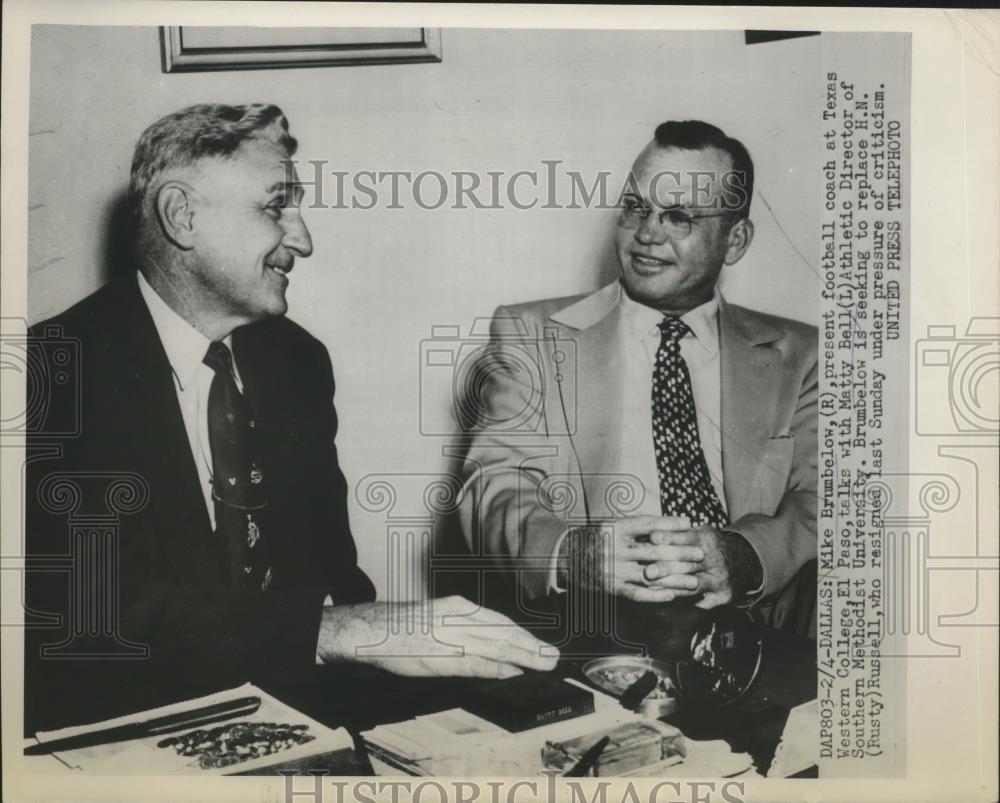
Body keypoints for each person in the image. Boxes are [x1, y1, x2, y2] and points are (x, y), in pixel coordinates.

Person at [24, 103, 555, 733]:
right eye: (276, 207)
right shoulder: (52, 375)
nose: (303, 239)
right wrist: (330, 630)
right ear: (181, 216)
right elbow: (96, 619)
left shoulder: (296, 361)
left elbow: (334, 581)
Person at [458, 120, 817, 636]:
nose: (647, 234)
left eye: (678, 217)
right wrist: (572, 554)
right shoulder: (530, 334)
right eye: (635, 207)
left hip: (757, 628)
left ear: (734, 240)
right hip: (595, 627)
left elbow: (825, 499)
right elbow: (492, 483)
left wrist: (744, 556)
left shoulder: (801, 355)